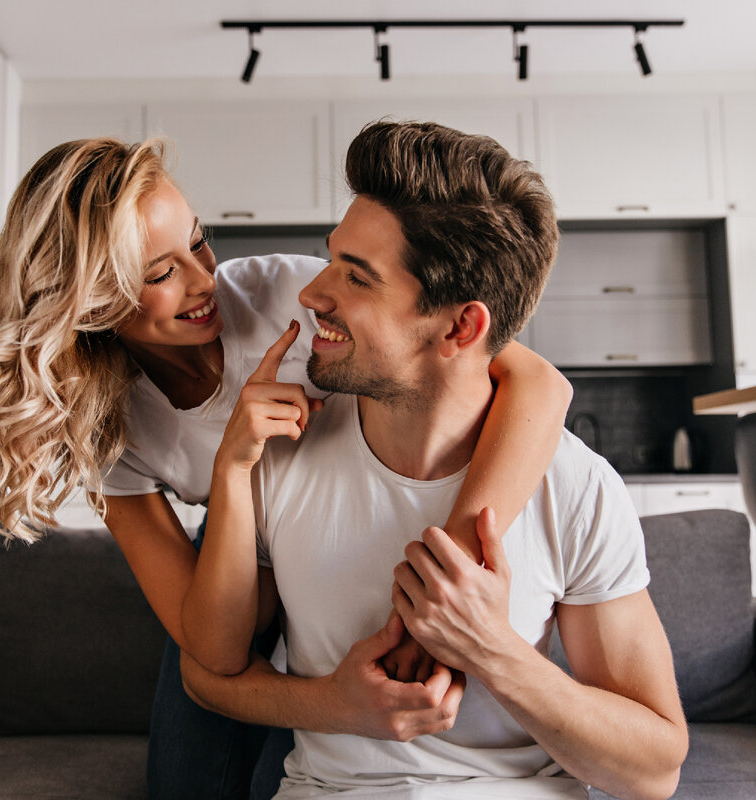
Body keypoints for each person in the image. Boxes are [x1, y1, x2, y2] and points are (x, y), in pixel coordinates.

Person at [0, 136, 574, 798]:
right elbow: (210, 654)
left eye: (197, 242)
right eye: (160, 274)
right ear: (89, 301)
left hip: (338, 532)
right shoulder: (106, 422)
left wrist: (449, 572)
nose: (202, 283)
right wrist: (230, 471)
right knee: (184, 782)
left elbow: (541, 385)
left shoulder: (284, 295)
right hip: (240, 550)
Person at [183, 121, 688, 799]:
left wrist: (493, 649)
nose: (311, 293)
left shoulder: (576, 485)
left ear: (459, 328)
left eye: (356, 277)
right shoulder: (277, 458)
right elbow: (211, 668)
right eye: (329, 257)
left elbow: (654, 772)